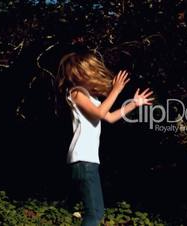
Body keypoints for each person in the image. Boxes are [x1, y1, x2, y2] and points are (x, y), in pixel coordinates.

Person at [57, 51, 154, 226]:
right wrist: (116, 90)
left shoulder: (90, 96)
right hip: (83, 158)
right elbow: (101, 113)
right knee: (94, 214)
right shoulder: (76, 92)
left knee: (96, 212)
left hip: (88, 160)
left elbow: (109, 117)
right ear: (80, 72)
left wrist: (134, 103)